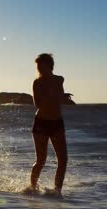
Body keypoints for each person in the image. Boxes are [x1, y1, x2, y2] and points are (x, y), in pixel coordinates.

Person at [27, 53, 72, 197]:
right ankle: (32, 189)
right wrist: (50, 95)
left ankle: (57, 191)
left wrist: (64, 98)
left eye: (42, 65)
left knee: (63, 160)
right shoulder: (37, 83)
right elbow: (37, 105)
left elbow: (59, 99)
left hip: (57, 122)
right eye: (38, 66)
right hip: (41, 122)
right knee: (41, 160)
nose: (39, 68)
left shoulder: (59, 80)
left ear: (50, 65)